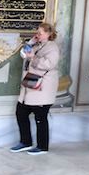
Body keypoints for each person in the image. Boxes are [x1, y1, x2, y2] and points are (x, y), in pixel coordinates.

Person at [11, 22, 60, 155]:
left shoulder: (52, 48)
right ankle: (25, 142)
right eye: (37, 33)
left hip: (42, 88)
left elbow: (49, 64)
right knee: (21, 112)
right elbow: (23, 54)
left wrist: (33, 58)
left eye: (40, 33)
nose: (37, 35)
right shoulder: (37, 45)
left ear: (48, 34)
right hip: (30, 86)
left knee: (40, 117)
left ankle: (42, 146)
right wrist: (30, 43)